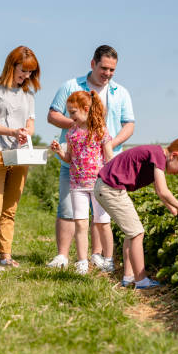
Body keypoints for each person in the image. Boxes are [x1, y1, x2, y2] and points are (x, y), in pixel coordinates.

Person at [47, 45, 135, 271]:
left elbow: (129, 124)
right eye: (104, 68)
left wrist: (108, 144)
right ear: (92, 64)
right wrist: (79, 125)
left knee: (100, 215)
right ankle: (63, 256)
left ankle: (98, 255)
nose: (107, 73)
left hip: (103, 165)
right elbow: (53, 114)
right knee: (69, 211)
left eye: (112, 70)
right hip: (76, 162)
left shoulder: (120, 92)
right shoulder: (72, 87)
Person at [94, 138, 178, 289]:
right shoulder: (158, 156)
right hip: (111, 189)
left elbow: (158, 191)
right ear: (174, 155)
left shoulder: (156, 155)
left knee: (132, 232)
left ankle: (128, 276)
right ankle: (141, 280)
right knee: (137, 233)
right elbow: (163, 191)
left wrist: (173, 210)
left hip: (107, 187)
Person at [0, 46, 40, 270]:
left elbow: (31, 125)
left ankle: (5, 255)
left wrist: (24, 132)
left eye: (30, 72)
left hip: (19, 155)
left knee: (10, 209)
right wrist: (12, 131)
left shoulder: (28, 95)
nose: (26, 76)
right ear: (11, 65)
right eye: (23, 70)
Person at [50, 90, 114, 274]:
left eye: (73, 112)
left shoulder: (100, 131)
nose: (70, 117)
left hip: (98, 185)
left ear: (86, 109)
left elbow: (109, 157)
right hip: (77, 185)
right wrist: (59, 152)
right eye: (69, 112)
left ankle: (108, 259)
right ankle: (82, 262)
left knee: (102, 223)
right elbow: (70, 158)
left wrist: (113, 180)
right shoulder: (71, 133)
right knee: (80, 223)